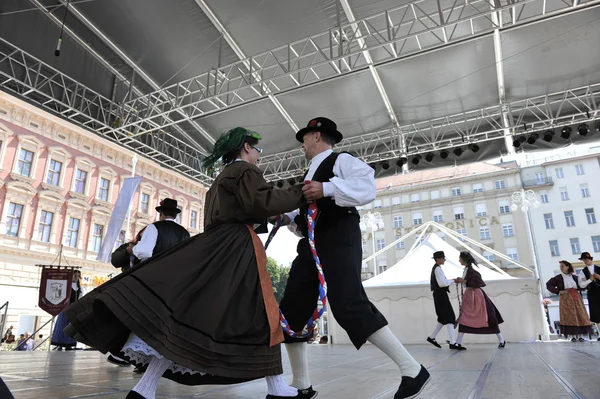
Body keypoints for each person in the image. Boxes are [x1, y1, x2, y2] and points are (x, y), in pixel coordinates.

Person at [64, 127, 310, 399]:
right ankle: (277, 389)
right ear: (246, 148)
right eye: (258, 150)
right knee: (262, 313)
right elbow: (261, 201)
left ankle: (144, 389)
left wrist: (272, 216)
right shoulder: (246, 171)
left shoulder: (220, 179)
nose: (260, 156)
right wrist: (303, 191)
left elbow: (245, 207)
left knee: (189, 316)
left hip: (217, 245)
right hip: (238, 249)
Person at [273, 117, 430, 399]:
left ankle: (412, 368)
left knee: (348, 303)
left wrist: (327, 189)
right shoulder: (309, 171)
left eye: (305, 138)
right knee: (293, 307)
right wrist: (286, 217)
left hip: (339, 237)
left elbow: (367, 187)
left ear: (317, 135)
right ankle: (301, 383)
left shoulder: (340, 160)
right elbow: (308, 215)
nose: (302, 144)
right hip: (312, 244)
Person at [455, 251, 505, 348]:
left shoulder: (471, 271)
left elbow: (477, 282)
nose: (459, 260)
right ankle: (458, 342)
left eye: (460, 258)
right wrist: (462, 281)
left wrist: (463, 281)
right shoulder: (466, 270)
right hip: (469, 296)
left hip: (476, 296)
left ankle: (501, 340)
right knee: (464, 317)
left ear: (464, 259)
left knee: (488, 317)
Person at [546, 260, 594, 341]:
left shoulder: (575, 277)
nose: (561, 268)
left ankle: (581, 336)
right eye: (560, 267)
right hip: (565, 298)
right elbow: (549, 285)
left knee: (579, 315)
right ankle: (572, 336)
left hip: (576, 297)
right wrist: (559, 291)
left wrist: (586, 281)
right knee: (569, 316)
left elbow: (582, 286)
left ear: (568, 267)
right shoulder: (558, 278)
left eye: (562, 266)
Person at [427, 251, 464, 350]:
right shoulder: (438, 269)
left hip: (438, 295)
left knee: (443, 318)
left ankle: (432, 337)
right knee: (450, 317)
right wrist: (453, 280)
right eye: (443, 258)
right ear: (438, 259)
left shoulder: (437, 268)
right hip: (441, 295)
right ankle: (452, 343)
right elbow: (442, 284)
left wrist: (452, 280)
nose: (444, 259)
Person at [51, 270, 82, 350]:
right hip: (65, 309)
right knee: (63, 326)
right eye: (75, 275)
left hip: (74, 309)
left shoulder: (79, 288)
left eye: (78, 276)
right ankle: (60, 344)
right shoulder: (66, 286)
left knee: (71, 326)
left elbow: (81, 298)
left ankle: (69, 344)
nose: (76, 277)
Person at [577, 252, 600, 341]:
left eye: (587, 259)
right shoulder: (583, 272)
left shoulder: (598, 268)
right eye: (584, 259)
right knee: (596, 313)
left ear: (590, 259)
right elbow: (581, 285)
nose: (586, 261)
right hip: (592, 293)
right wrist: (590, 280)